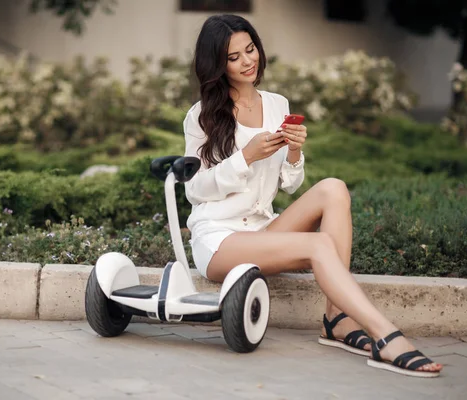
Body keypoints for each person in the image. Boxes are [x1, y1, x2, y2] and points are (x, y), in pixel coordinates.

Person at [183, 14, 442, 378]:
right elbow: (194, 190)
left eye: (250, 49)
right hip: (219, 239)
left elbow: (290, 185)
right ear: (217, 64)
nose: (247, 61)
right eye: (234, 57)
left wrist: (292, 153)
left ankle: (336, 318)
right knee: (319, 245)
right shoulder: (201, 116)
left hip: (262, 230)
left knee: (333, 187)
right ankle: (387, 336)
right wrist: (246, 157)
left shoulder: (277, 104)